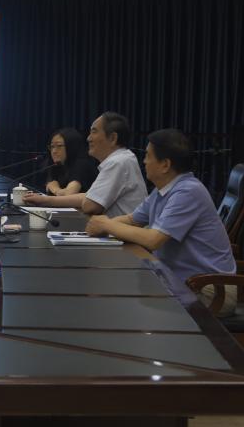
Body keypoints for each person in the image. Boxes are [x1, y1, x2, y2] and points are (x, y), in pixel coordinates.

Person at [85, 129, 236, 310]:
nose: (144, 161)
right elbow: (133, 219)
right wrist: (98, 226)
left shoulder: (188, 191)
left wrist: (106, 224)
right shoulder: (162, 190)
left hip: (209, 288)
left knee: (124, 302)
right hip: (181, 281)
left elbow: (153, 239)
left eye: (148, 156)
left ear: (165, 165)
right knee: (118, 289)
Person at [25, 112, 146, 216]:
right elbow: (89, 197)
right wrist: (44, 200)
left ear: (113, 138)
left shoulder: (118, 162)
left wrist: (47, 198)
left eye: (94, 132)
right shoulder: (122, 158)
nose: (88, 138)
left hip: (122, 234)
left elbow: (90, 205)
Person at [42, 127, 97, 196]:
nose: (54, 151)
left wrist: (55, 189)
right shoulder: (56, 165)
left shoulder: (81, 164)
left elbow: (69, 194)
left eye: (59, 146)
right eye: (52, 146)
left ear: (71, 147)